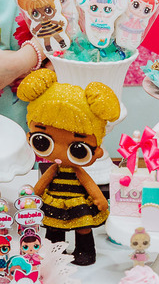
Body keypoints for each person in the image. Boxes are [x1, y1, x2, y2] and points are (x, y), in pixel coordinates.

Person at [18, 68, 120, 266]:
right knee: (54, 228)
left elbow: (89, 184)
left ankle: (85, 251)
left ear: (96, 150)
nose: (59, 150)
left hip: (77, 203)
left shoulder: (77, 171)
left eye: (79, 149)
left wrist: (100, 200)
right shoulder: (53, 169)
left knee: (83, 227)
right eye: (43, 141)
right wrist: (33, 196)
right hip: (54, 201)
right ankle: (53, 253)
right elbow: (41, 184)